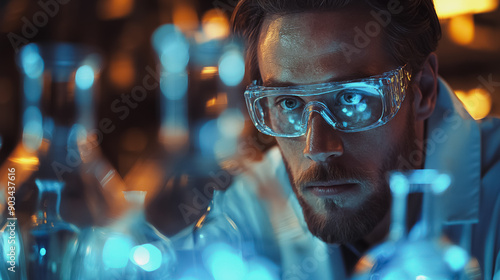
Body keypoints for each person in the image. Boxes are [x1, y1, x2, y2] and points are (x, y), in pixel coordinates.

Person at [210, 0, 500, 279]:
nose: (317, 148)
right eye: (288, 103)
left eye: (352, 98)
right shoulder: (243, 210)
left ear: (422, 89)